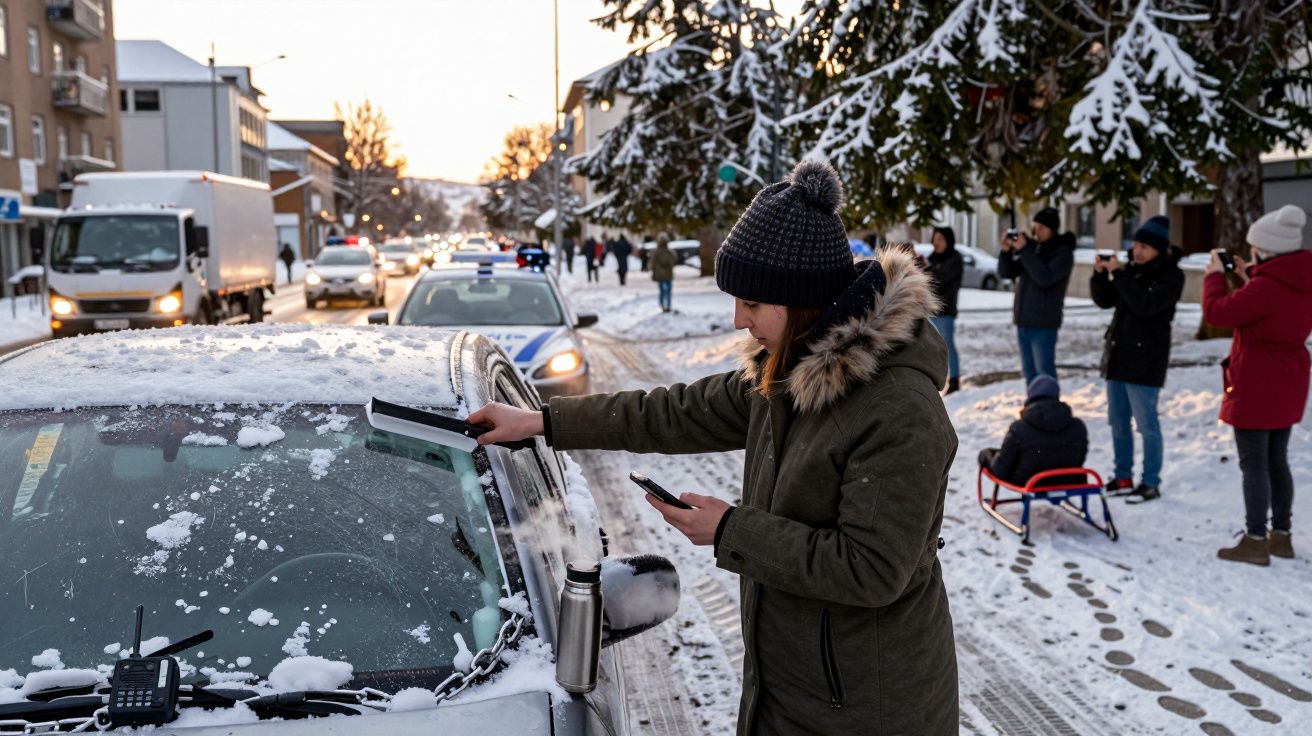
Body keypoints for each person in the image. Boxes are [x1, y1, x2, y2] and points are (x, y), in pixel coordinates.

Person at [470, 161, 959, 735]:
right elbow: (670, 414)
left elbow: (872, 570)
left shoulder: (898, 409)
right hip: (793, 690)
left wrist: (731, 529)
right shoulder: (788, 371)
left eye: (751, 304)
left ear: (798, 301)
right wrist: (541, 422)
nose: (737, 320)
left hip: (868, 709)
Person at [1204, 205, 1312, 565]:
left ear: (1264, 251)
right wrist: (1248, 276)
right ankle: (1281, 536)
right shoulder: (1298, 280)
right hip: (1288, 379)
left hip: (1258, 381)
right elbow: (1266, 304)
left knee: (1254, 464)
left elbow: (1218, 313)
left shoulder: (1266, 288)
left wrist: (1215, 278)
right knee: (1277, 460)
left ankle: (1254, 540)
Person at [1089, 215, 1184, 504]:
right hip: (1119, 357)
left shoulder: (1171, 276)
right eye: (1135, 244)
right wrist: (1099, 275)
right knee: (1118, 422)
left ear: (1159, 249)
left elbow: (1144, 305)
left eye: (1144, 246)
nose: (1137, 251)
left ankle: (1151, 482)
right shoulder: (1131, 270)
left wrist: (1120, 275)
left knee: (1147, 425)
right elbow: (1106, 300)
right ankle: (1123, 476)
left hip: (1146, 361)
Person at [997, 207, 1076, 386]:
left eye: (1042, 228)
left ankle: (1050, 408)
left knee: (1044, 371)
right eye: (1035, 227)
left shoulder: (1062, 253)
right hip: (1024, 319)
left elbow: (1044, 278)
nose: (1036, 232)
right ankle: (1035, 408)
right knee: (1029, 372)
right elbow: (1007, 272)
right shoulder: (1034, 250)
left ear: (1052, 229)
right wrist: (1006, 251)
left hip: (1044, 323)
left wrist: (1025, 251)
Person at [978, 375, 1089, 487]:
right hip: (1070, 479)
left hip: (1029, 482)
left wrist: (986, 456)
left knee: (992, 455)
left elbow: (1000, 471)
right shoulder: (1078, 426)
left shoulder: (1019, 428)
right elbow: (1079, 460)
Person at [926, 226, 963, 394]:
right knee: (931, 346)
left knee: (947, 346)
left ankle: (954, 379)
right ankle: (934, 378)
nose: (937, 242)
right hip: (931, 310)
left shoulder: (955, 259)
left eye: (941, 239)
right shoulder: (932, 259)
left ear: (949, 240)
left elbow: (939, 277)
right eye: (935, 238)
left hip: (946, 311)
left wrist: (925, 269)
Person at [650, 235, 677, 312]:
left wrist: (653, 270)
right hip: (668, 274)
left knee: (662, 291)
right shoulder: (670, 252)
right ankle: (667, 305)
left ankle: (662, 304)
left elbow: (652, 263)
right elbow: (674, 260)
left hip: (660, 275)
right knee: (668, 291)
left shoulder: (655, 252)